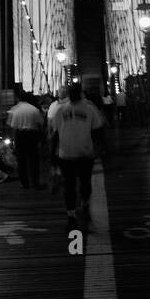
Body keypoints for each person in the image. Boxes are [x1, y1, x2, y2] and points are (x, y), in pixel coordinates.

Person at [49, 81, 105, 225]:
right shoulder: (89, 108)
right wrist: (100, 148)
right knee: (78, 184)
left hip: (72, 153)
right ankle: (75, 212)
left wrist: (53, 158)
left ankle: (75, 212)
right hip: (79, 153)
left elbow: (55, 134)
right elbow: (98, 130)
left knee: (74, 185)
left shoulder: (61, 110)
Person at [6, 89, 45, 190]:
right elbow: (41, 124)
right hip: (32, 134)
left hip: (19, 135)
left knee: (21, 161)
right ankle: (35, 182)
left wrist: (13, 141)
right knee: (34, 160)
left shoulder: (14, 109)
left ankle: (24, 183)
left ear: (18, 98)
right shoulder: (34, 109)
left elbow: (12, 127)